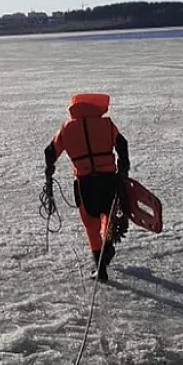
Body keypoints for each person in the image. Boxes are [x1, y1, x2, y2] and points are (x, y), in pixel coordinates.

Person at [44, 93, 130, 282]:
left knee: (90, 225)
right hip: (109, 180)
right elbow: (122, 144)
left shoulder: (66, 128)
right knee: (108, 216)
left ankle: (100, 267)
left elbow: (50, 152)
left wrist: (49, 171)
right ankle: (108, 248)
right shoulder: (107, 124)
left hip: (85, 184)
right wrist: (124, 167)